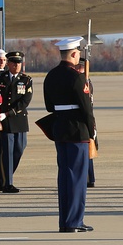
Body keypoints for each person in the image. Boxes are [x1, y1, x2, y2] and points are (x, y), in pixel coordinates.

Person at [43, 36, 96, 233]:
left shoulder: (51, 75)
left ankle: (65, 220)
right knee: (77, 179)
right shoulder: (76, 77)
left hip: (60, 129)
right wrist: (93, 131)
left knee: (65, 177)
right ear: (74, 54)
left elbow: (50, 106)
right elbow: (86, 109)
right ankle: (74, 221)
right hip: (77, 130)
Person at [0, 51, 32, 193]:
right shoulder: (0, 78)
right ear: (8, 63)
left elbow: (25, 101)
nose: (16, 65)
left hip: (19, 119)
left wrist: (8, 113)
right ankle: (7, 183)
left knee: (19, 149)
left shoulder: (26, 80)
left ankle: (4, 176)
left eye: (19, 63)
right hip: (5, 121)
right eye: (14, 62)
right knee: (7, 152)